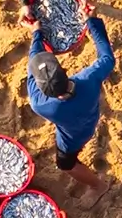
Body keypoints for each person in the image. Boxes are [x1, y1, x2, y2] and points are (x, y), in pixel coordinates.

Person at [27, 13, 116, 199]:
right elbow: (107, 58)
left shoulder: (41, 104)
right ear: (64, 70)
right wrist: (92, 22)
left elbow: (32, 65)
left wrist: (37, 34)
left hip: (73, 138)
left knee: (65, 163)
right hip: (91, 115)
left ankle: (98, 185)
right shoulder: (88, 80)